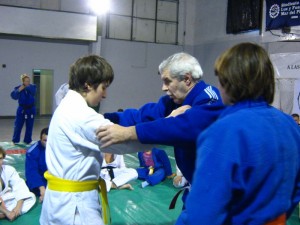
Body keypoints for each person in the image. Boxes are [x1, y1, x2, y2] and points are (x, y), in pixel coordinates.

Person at [176, 43, 300, 225]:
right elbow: (296, 188)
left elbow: (202, 214)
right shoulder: (291, 126)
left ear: (228, 82)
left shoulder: (224, 132)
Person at [98, 52, 225, 207]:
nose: (163, 88)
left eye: (167, 81)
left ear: (187, 79)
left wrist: (129, 132)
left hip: (216, 193)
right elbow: (144, 116)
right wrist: (105, 118)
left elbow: (184, 126)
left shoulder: (209, 99)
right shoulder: (173, 102)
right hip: (196, 190)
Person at [40, 55, 151, 225]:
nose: (105, 95)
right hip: (74, 207)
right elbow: (123, 144)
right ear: (88, 85)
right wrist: (167, 129)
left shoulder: (66, 102)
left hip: (60, 199)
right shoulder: (80, 115)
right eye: (103, 88)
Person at [0, 146, 36, 221]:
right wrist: (7, 213)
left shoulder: (8, 170)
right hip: (2, 205)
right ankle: (5, 214)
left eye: (0, 158)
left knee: (30, 197)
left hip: (5, 200)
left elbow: (19, 186)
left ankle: (13, 212)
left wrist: (18, 207)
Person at [10, 73, 37, 144]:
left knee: (29, 126)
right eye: (26, 81)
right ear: (23, 81)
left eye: (29, 81)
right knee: (18, 125)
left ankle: (27, 140)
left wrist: (26, 87)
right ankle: (15, 140)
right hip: (22, 109)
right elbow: (13, 96)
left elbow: (33, 92)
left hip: (31, 109)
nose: (28, 82)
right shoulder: (18, 88)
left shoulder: (33, 87)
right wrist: (19, 90)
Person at [25, 127, 48, 203]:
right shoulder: (32, 152)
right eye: (45, 140)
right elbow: (32, 172)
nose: (47, 143)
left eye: (49, 141)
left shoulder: (58, 147)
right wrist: (42, 189)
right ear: (40, 139)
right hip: (40, 181)